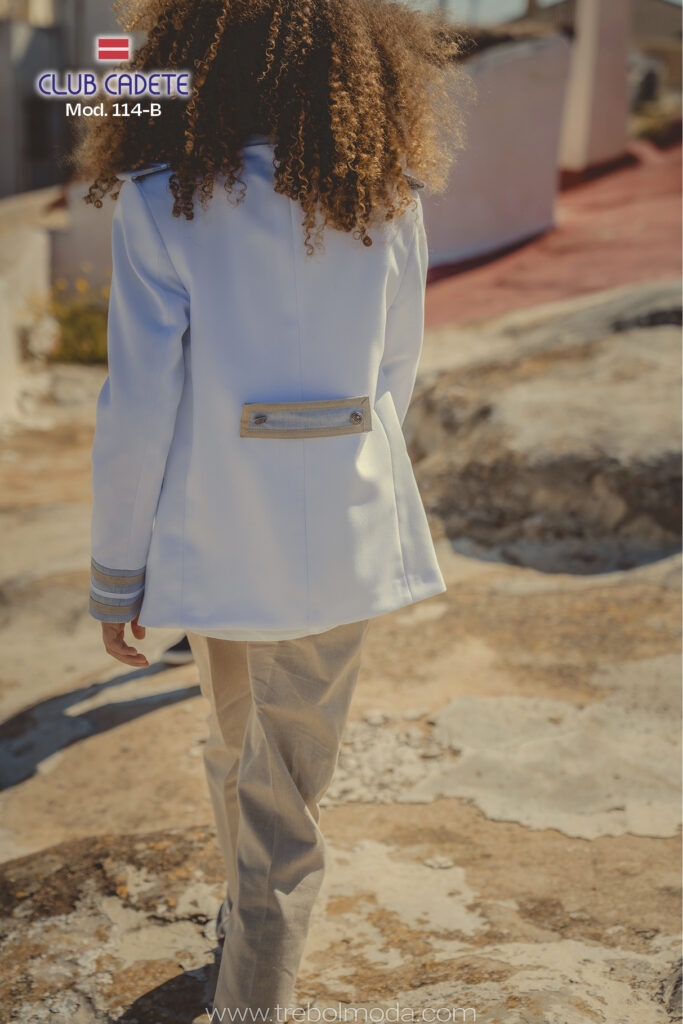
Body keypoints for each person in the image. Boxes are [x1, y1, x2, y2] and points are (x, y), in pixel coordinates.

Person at [70, 0, 467, 1017]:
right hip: (340, 530)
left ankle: (251, 994)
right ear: (355, 66)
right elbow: (394, 377)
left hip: (217, 536)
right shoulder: (389, 198)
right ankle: (250, 944)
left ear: (196, 60)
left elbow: (137, 408)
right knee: (275, 778)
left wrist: (118, 574)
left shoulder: (160, 203)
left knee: (240, 748)